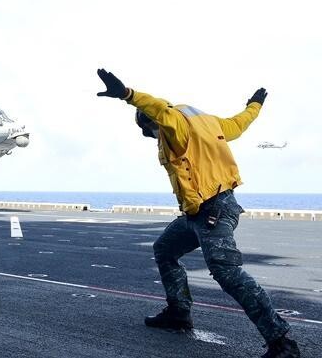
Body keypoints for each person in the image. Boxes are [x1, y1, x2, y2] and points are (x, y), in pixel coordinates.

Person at [96, 69, 300, 358]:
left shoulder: (174, 122)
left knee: (227, 272)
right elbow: (239, 124)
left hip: (213, 210)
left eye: (149, 132)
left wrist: (128, 95)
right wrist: (255, 105)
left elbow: (157, 108)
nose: (153, 138)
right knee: (165, 249)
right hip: (198, 212)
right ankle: (179, 313)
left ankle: (282, 343)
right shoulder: (210, 123)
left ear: (152, 122)